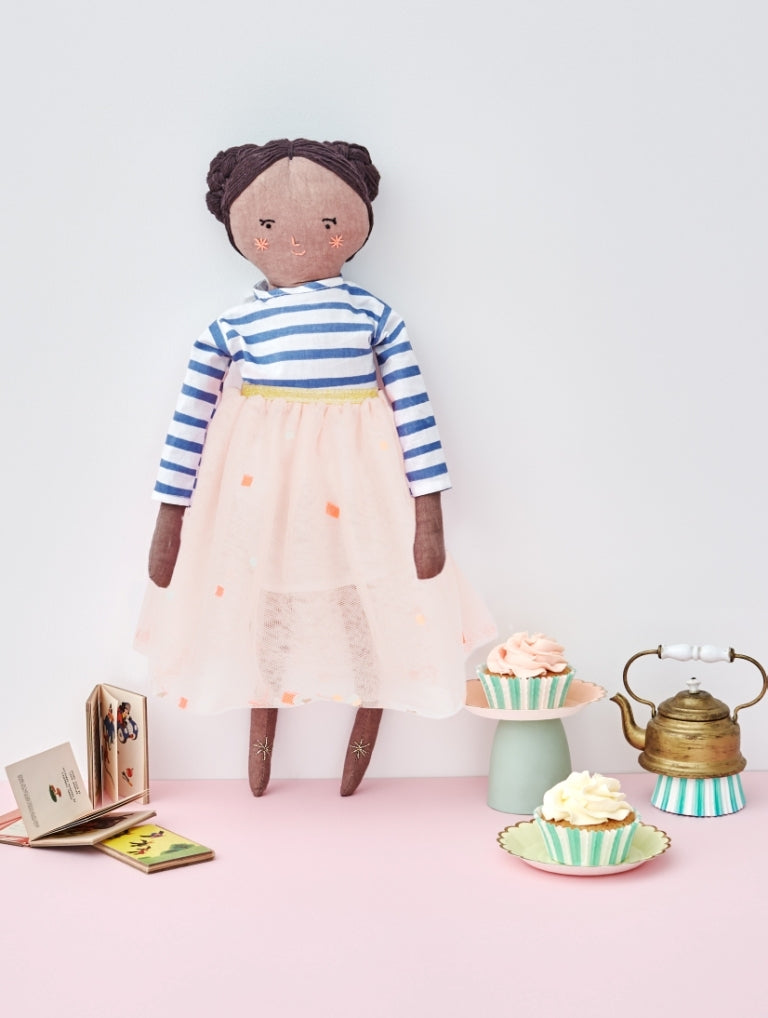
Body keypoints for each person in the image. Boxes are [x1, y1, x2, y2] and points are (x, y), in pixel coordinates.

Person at [135, 138, 494, 796]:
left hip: (364, 486)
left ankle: (366, 727)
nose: (297, 239)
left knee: (372, 600)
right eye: (269, 225)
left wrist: (429, 512)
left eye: (327, 222)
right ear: (241, 230)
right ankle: (260, 733)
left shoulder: (375, 317)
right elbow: (188, 423)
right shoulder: (233, 326)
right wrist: (170, 516)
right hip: (259, 487)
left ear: (353, 225)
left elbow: (415, 415)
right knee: (263, 598)